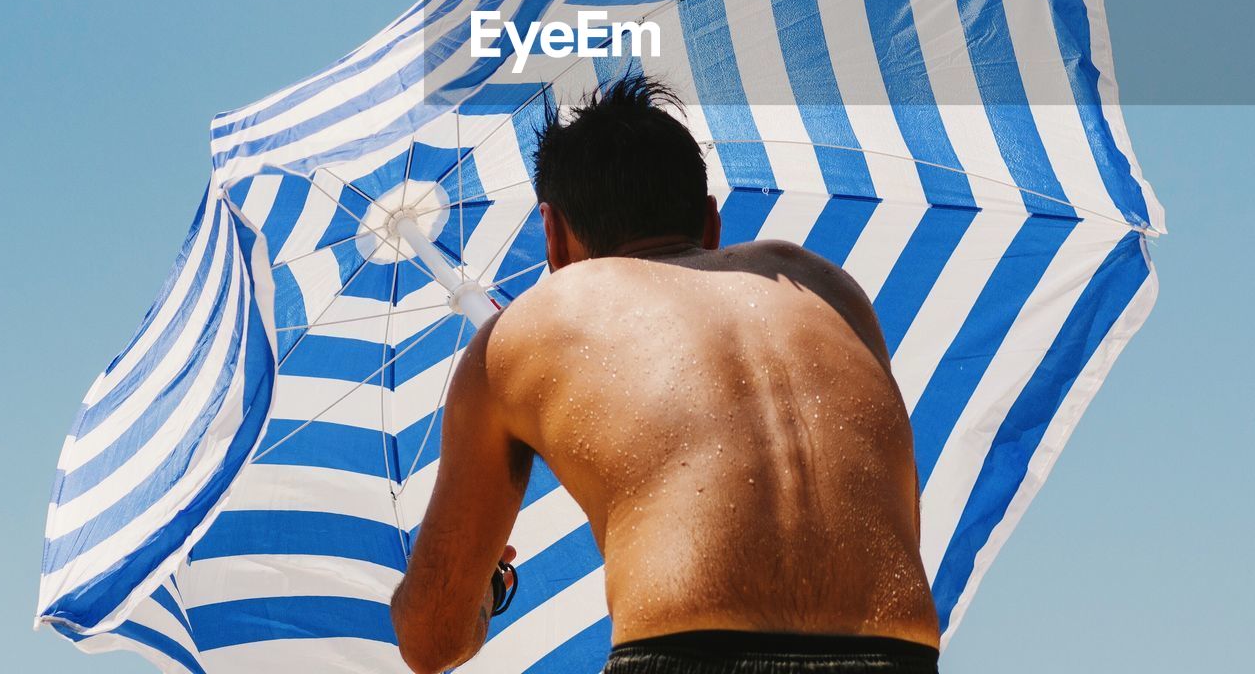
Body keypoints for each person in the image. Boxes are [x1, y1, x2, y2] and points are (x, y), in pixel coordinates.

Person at [391, 75, 940, 674]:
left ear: (552, 235)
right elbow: (901, 525)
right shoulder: (823, 285)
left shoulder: (532, 325)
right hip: (897, 655)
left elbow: (433, 640)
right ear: (710, 223)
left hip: (685, 656)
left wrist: (486, 581)